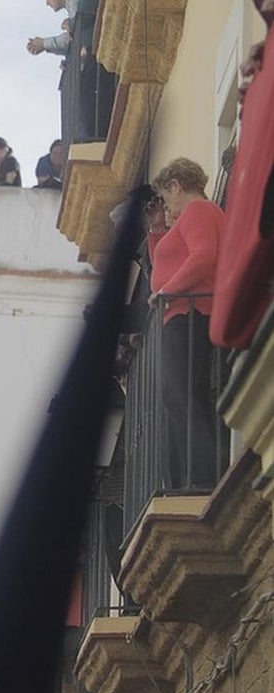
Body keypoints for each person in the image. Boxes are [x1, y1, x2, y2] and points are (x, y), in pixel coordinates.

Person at [146, 157, 224, 490]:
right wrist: (156, 230)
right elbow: (167, 258)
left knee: (180, 397)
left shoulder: (198, 211)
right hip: (183, 312)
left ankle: (197, 478)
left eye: (165, 197)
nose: (167, 205)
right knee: (178, 397)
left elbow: (203, 255)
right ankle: (184, 480)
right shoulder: (192, 217)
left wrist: (166, 291)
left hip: (188, 312)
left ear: (176, 186)